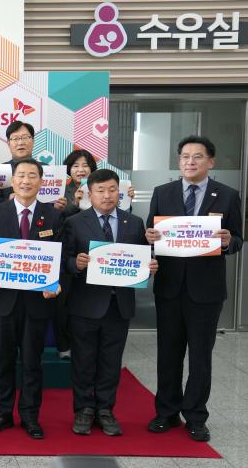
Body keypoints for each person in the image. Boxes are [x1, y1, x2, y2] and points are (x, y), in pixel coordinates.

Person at [145, 135, 243, 442]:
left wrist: (228, 241)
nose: (190, 162)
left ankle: (196, 416)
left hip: (206, 291)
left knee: (201, 356)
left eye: (197, 156)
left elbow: (238, 239)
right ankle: (166, 412)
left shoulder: (227, 195)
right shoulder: (163, 193)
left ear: (210, 162)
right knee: (168, 353)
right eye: (185, 156)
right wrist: (149, 238)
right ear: (179, 161)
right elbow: (150, 233)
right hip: (169, 287)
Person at [62, 168, 157, 436]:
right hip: (85, 304)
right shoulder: (75, 222)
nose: (107, 195)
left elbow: (141, 257)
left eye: (112, 190)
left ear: (120, 192)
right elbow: (63, 259)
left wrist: (149, 265)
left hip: (119, 305)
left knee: (111, 360)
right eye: (100, 190)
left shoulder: (134, 222)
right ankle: (83, 409)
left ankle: (105, 409)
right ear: (89, 194)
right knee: (83, 360)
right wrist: (76, 263)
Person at [0, 158, 64, 440]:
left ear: (41, 182)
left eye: (32, 176)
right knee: (2, 360)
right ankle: (2, 414)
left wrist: (55, 283)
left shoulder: (53, 216)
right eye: (21, 176)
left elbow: (59, 256)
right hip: (2, 300)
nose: (26, 181)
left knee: (32, 362)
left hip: (37, 302)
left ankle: (30, 416)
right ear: (12, 181)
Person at [0, 121, 66, 212]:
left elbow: (52, 203)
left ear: (33, 140)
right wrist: (9, 200)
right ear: (8, 143)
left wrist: (56, 206)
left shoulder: (46, 169)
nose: (20, 142)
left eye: (25, 137)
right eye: (15, 138)